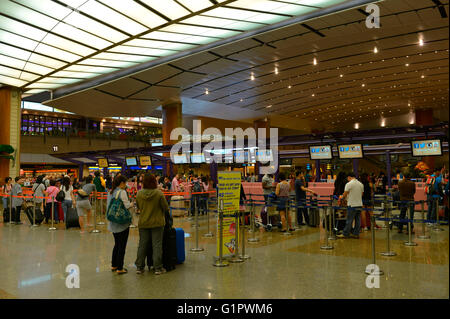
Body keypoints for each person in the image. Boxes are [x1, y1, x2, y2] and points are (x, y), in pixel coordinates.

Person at [135, 174, 169, 275]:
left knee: (142, 245)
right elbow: (166, 208)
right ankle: (158, 268)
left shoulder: (139, 194)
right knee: (157, 245)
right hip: (157, 223)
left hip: (143, 222)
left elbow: (139, 206)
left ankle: (139, 267)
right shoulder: (159, 194)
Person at [107, 175, 132, 275]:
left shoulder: (111, 192)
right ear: (121, 183)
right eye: (125, 183)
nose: (126, 185)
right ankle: (120, 268)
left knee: (117, 244)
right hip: (122, 223)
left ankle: (114, 265)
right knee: (122, 245)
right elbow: (127, 205)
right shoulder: (122, 192)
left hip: (113, 222)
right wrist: (133, 204)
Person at [337, 172, 364, 239]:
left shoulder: (349, 184)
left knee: (349, 220)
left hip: (352, 204)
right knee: (358, 220)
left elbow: (345, 194)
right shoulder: (360, 184)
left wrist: (342, 197)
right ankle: (356, 234)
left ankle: (345, 234)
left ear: (349, 177)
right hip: (359, 204)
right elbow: (362, 194)